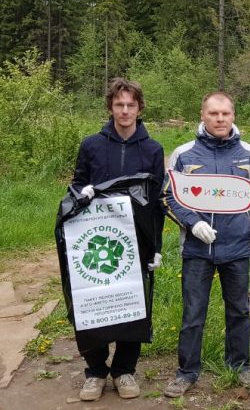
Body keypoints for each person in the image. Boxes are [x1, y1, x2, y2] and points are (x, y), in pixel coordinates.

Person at [162, 91, 250, 397]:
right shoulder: (184, 154)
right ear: (203, 115)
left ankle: (240, 366)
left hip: (237, 248)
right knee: (193, 313)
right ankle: (186, 372)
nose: (220, 119)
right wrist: (192, 223)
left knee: (239, 311)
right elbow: (168, 197)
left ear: (233, 115)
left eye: (225, 113)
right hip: (197, 250)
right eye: (213, 114)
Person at [70, 78, 165, 401]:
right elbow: (77, 184)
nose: (125, 111)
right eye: (119, 105)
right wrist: (78, 192)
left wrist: (157, 246)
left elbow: (155, 202)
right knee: (92, 301)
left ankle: (124, 370)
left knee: (132, 304)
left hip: (136, 239)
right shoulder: (91, 145)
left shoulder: (153, 149)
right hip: (95, 239)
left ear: (139, 109)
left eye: (131, 105)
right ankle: (95, 371)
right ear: (110, 107)